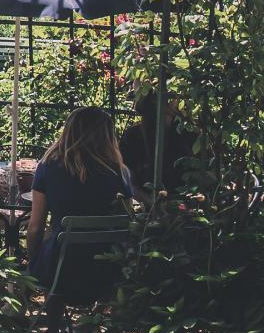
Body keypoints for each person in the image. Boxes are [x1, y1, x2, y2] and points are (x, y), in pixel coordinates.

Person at [27, 107, 136, 286]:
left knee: (50, 240)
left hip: (60, 268)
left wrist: (33, 264)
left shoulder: (49, 168)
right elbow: (127, 220)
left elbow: (35, 227)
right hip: (107, 268)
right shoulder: (120, 173)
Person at [118, 86, 201, 200]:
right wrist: (151, 202)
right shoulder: (133, 137)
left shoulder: (189, 134)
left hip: (185, 204)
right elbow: (129, 183)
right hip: (147, 207)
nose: (176, 97)